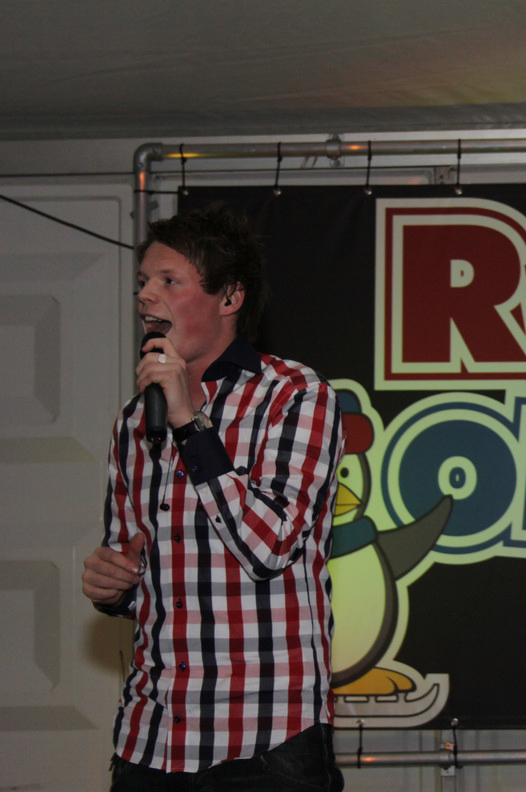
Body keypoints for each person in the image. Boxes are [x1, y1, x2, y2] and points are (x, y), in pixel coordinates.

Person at [81, 204, 345, 791]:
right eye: (143, 281)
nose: (146, 296)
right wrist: (113, 586)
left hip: (265, 740)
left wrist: (188, 421)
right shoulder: (132, 421)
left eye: (168, 281)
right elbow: (134, 570)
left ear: (229, 297)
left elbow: (268, 547)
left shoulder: (294, 396)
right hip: (152, 737)